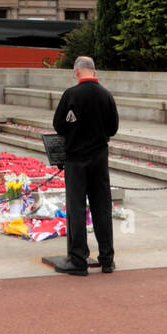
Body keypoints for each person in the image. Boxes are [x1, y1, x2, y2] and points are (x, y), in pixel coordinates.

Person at [51, 55, 119, 275]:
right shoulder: (106, 95)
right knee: (102, 207)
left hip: (75, 158)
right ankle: (107, 259)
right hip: (99, 158)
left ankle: (79, 260)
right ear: (94, 72)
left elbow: (58, 125)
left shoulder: (71, 95)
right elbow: (113, 128)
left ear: (76, 72)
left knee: (77, 208)